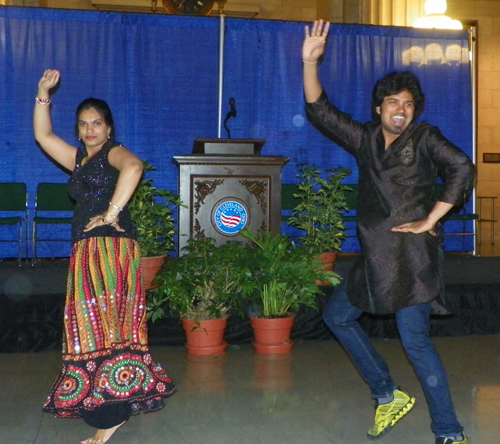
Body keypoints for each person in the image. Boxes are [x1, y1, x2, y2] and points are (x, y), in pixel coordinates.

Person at [302, 21, 475, 444]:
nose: (401, 109)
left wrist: (431, 220)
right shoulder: (363, 138)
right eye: (393, 102)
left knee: (415, 340)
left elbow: (462, 168)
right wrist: (310, 63)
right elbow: (321, 111)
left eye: (409, 104)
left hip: (411, 259)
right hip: (376, 255)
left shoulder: (425, 137)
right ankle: (386, 392)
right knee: (338, 316)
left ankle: (450, 433)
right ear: (378, 108)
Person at [34, 69, 176, 444]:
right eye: (83, 124)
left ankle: (113, 414)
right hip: (86, 247)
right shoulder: (80, 159)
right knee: (89, 326)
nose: (90, 130)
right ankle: (103, 399)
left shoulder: (113, 151)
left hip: (110, 247)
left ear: (109, 128)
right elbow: (43, 135)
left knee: (110, 326)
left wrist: (111, 213)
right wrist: (42, 94)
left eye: (96, 123)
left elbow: (134, 167)